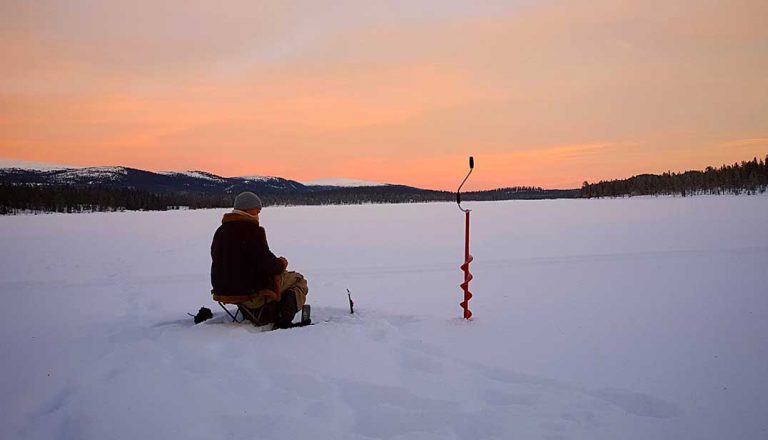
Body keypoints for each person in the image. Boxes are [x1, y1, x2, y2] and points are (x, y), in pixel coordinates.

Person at [210, 191, 308, 328]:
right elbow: (268, 264)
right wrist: (281, 263)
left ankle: (262, 312)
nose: (259, 213)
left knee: (283, 278)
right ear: (248, 209)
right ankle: (283, 319)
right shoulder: (250, 230)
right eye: (257, 210)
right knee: (298, 280)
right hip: (249, 291)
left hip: (225, 288)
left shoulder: (221, 231)